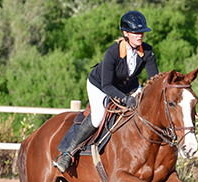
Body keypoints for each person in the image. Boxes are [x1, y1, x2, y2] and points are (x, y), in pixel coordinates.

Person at [53, 10, 159, 173]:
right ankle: (68, 153)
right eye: (136, 32)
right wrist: (125, 100)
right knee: (97, 118)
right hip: (100, 85)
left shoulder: (148, 52)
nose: (140, 35)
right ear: (125, 33)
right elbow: (108, 86)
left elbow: (154, 82)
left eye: (142, 32)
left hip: (128, 87)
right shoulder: (113, 52)